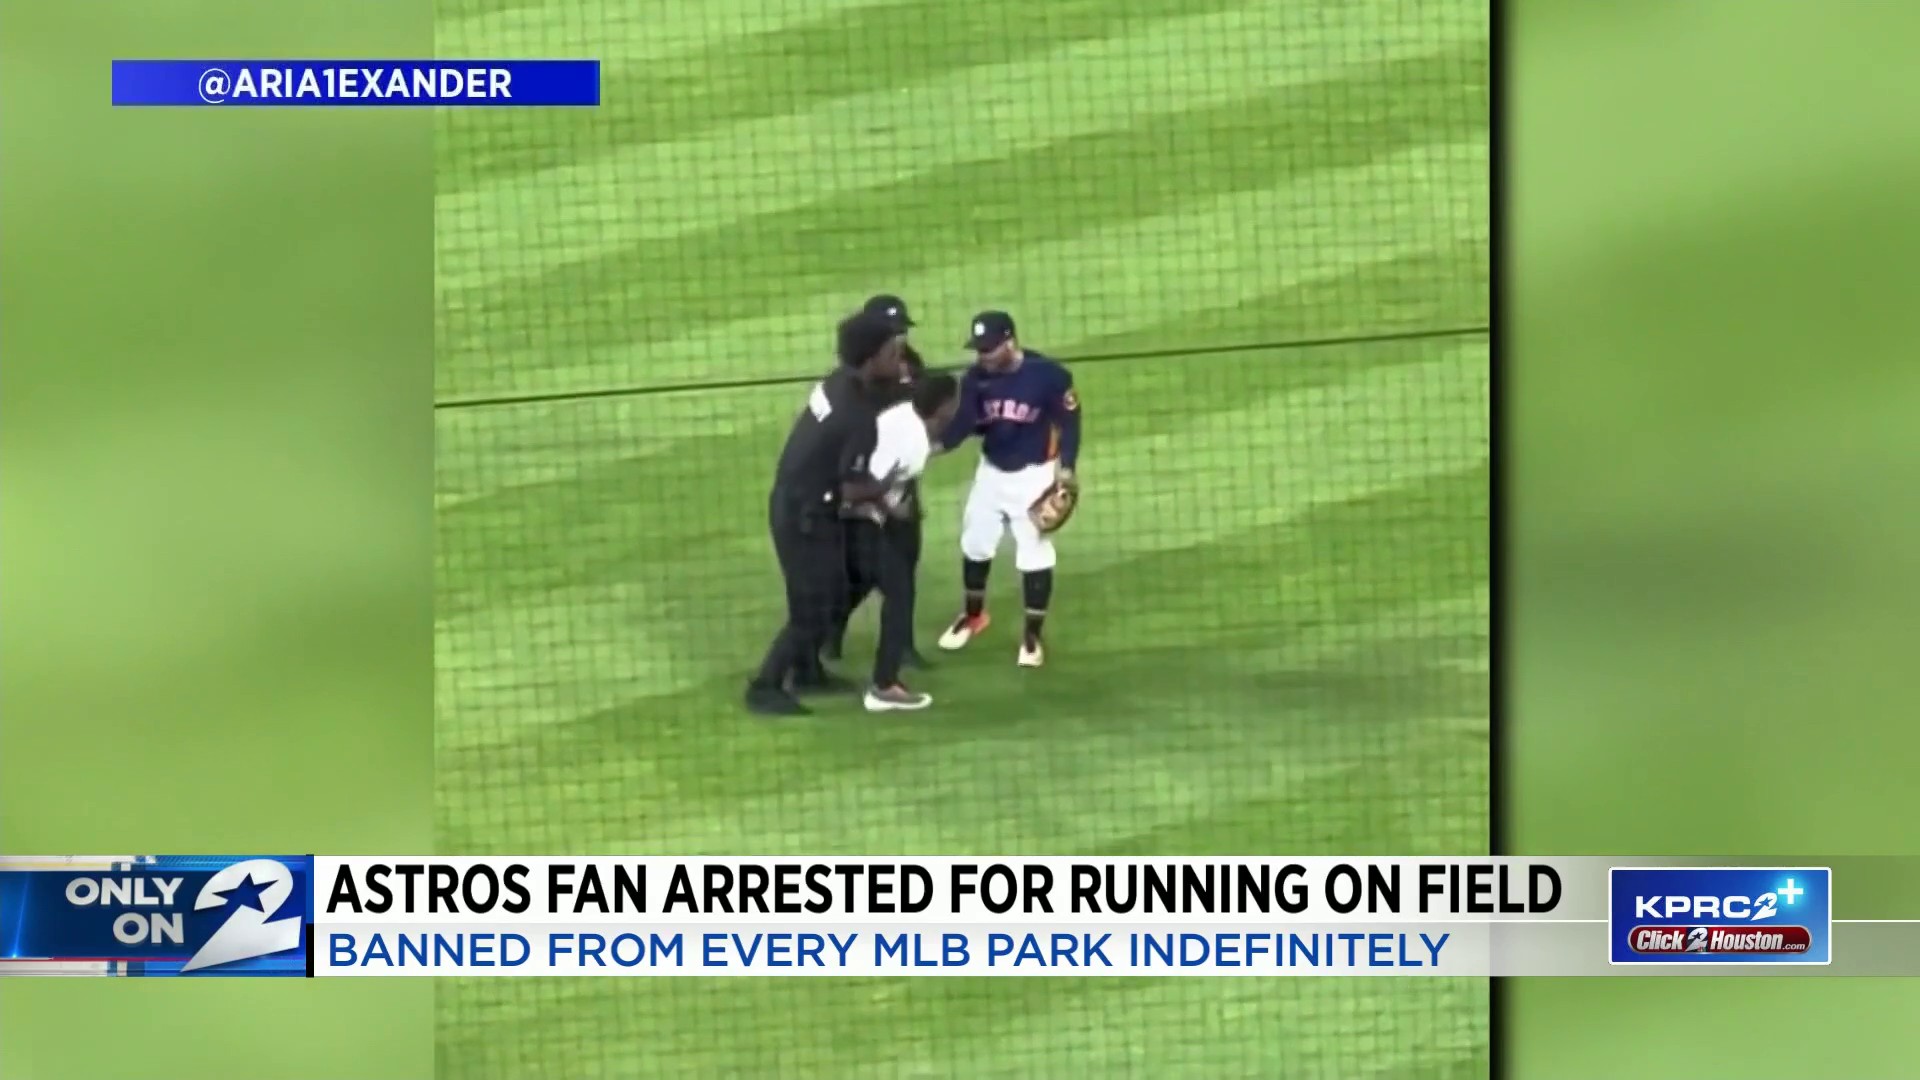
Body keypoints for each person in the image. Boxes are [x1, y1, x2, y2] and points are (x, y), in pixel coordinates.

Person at [745, 311, 907, 716]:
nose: (900, 361)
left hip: (798, 501)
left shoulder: (838, 382)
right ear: (870, 359)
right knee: (813, 605)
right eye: (893, 353)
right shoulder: (858, 418)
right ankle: (765, 686)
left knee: (833, 589)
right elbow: (850, 486)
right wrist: (885, 490)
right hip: (805, 515)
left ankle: (808, 671)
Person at [936, 311, 1081, 668]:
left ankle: (1032, 636)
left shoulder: (1047, 375)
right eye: (978, 349)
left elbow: (1070, 420)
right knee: (975, 544)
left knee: (1034, 554)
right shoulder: (975, 380)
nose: (982, 356)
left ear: (1009, 342)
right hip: (992, 474)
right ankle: (973, 616)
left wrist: (1068, 468)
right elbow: (962, 426)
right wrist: (926, 449)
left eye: (988, 348)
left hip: (1035, 476)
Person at [828, 294, 931, 668]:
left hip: (899, 482)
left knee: (906, 563)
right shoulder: (857, 376)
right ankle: (832, 634)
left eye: (902, 329)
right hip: (862, 482)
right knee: (860, 573)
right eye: (893, 330)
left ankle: (903, 645)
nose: (900, 336)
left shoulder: (910, 364)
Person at [852, 372, 961, 712]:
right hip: (857, 519)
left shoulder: (901, 413)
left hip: (852, 514)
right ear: (943, 407)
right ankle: (884, 686)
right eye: (954, 402)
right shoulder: (915, 443)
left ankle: (808, 661)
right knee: (898, 593)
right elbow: (873, 481)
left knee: (851, 587)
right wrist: (892, 511)